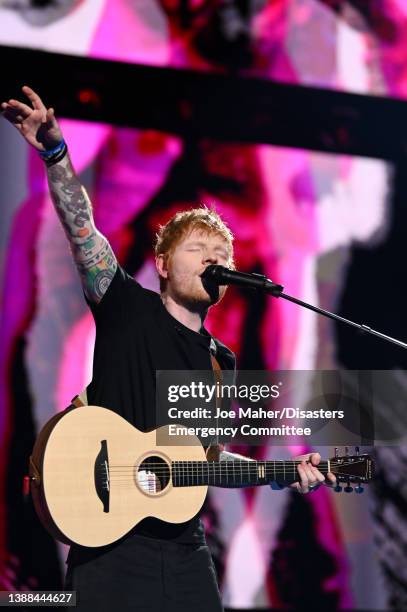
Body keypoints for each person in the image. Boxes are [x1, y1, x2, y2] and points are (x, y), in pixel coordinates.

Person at [1, 86, 336, 612]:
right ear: (161, 263)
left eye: (221, 253)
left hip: (184, 551)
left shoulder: (219, 362)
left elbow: (198, 459)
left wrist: (285, 472)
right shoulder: (125, 305)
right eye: (198, 249)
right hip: (107, 536)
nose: (213, 258)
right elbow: (81, 228)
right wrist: (55, 155)